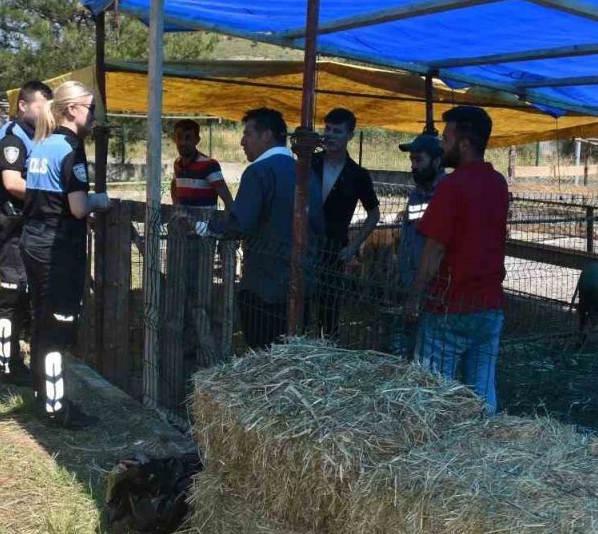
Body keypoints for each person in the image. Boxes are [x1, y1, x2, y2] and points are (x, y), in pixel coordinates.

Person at [190, 107, 323, 350]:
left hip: (264, 285)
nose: (242, 141)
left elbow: (240, 223)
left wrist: (201, 227)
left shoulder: (258, 172)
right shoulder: (307, 173)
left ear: (266, 136)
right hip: (300, 282)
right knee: (291, 352)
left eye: (247, 134)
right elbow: (317, 224)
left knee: (263, 353)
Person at [406, 106, 509, 413]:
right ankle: (483, 442)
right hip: (489, 305)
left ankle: (433, 449)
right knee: (481, 390)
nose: (442, 145)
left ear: (464, 144)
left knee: (432, 390)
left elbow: (435, 248)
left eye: (447, 138)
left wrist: (415, 295)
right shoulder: (498, 183)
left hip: (449, 305)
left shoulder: (452, 186)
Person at [20, 80, 111, 428]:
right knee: (58, 329)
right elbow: (76, 208)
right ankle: (57, 411)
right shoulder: (71, 147)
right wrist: (101, 202)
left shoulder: (43, 145)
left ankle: (43, 393)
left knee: (41, 321)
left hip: (34, 242)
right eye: (92, 109)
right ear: (73, 110)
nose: (94, 117)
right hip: (57, 250)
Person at [0, 80, 51, 384]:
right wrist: (52, 196)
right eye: (40, 106)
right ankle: (5, 364)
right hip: (8, 224)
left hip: (23, 224)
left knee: (23, 293)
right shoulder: (13, 138)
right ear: (23, 106)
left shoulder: (33, 137)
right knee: (12, 295)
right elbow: (12, 183)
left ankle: (10, 356)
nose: (45, 113)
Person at [311, 108, 379, 340]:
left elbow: (374, 214)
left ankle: (327, 351)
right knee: (298, 303)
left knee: (328, 309)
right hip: (304, 244)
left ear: (350, 135)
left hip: (333, 250)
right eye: (327, 129)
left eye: (337, 131)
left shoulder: (358, 174)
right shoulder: (309, 162)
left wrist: (353, 247)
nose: (329, 135)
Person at [390, 132, 445, 357]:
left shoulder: (446, 193)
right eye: (412, 160)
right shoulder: (415, 196)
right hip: (411, 282)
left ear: (437, 161)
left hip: (436, 288)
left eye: (418, 160)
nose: (413, 166)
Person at [170, 119, 233, 211]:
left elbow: (228, 200)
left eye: (188, 138)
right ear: (174, 139)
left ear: (197, 140)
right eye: (179, 137)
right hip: (184, 224)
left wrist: (224, 223)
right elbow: (174, 186)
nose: (183, 143)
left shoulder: (209, 165)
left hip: (205, 224)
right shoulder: (177, 164)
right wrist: (177, 209)